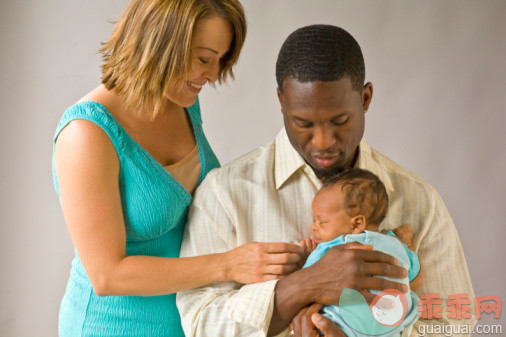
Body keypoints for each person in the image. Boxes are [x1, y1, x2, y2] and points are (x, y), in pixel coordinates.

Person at [177, 24, 475, 337]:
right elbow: (198, 323)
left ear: (365, 98)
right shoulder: (225, 192)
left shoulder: (419, 200)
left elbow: (455, 323)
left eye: (339, 121)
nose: (322, 142)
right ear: (282, 101)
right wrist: (303, 286)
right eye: (302, 123)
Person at [52, 1, 303, 336]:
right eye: (204, 59)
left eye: (220, 59)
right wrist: (229, 263)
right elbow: (107, 276)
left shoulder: (182, 102)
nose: (213, 75)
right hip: (113, 327)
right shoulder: (86, 134)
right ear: (160, 42)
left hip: (185, 322)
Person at [297, 167, 422, 336]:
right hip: (391, 329)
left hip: (345, 329)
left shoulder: (333, 247)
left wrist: (304, 259)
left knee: (311, 314)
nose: (313, 227)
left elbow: (308, 281)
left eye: (322, 222)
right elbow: (415, 276)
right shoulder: (395, 245)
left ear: (356, 224)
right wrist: (407, 244)